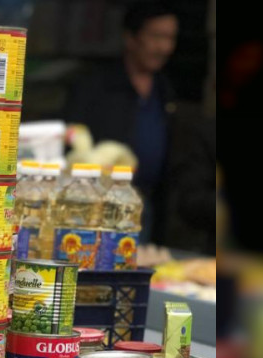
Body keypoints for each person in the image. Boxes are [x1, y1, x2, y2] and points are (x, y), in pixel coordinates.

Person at [65, 2, 178, 243]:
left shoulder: (164, 88)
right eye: (156, 37)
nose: (165, 47)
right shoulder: (95, 86)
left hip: (147, 204)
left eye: (170, 38)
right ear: (130, 38)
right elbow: (72, 140)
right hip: (100, 208)